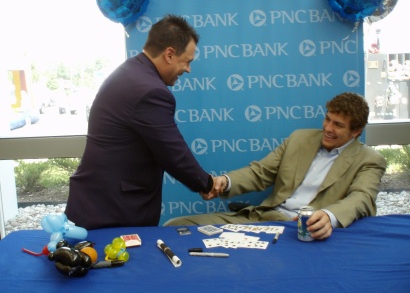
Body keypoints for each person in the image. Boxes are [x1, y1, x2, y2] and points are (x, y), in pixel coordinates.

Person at [164, 92, 387, 240]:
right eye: (327, 119)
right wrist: (224, 182)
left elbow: (362, 198)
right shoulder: (300, 138)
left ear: (356, 131)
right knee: (176, 226)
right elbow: (260, 173)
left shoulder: (369, 160)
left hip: (302, 231)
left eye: (338, 125)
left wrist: (329, 216)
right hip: (262, 218)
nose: (328, 128)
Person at [65, 14, 214, 230]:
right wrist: (206, 183)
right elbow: (173, 153)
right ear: (170, 54)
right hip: (111, 213)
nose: (188, 70)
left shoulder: (131, 72)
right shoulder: (150, 91)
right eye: (187, 61)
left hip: (98, 203)